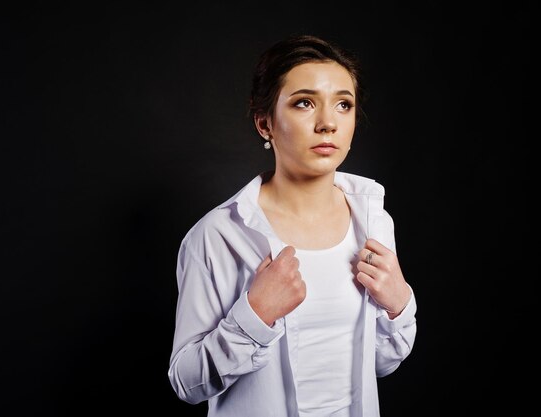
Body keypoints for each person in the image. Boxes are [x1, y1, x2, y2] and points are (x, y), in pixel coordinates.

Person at [168, 34, 417, 417]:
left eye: (343, 104)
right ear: (265, 123)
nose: (327, 123)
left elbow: (381, 363)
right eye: (304, 103)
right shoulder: (218, 236)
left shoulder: (375, 223)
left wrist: (400, 305)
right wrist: (254, 315)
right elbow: (187, 384)